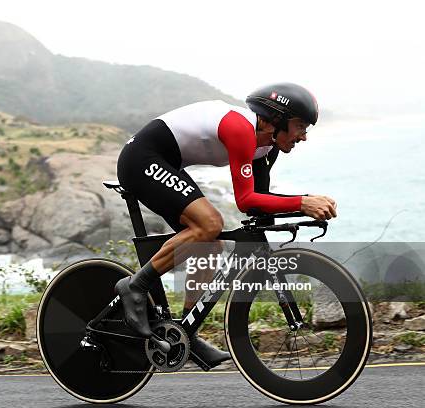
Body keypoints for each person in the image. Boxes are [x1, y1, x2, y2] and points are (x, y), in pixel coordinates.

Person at [114, 83, 337, 368]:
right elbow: (245, 200)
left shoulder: (267, 146)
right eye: (300, 126)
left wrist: (299, 212)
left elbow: (259, 204)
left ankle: (186, 332)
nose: (303, 136)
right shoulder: (240, 129)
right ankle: (135, 285)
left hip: (168, 163)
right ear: (276, 120)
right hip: (141, 159)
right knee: (209, 224)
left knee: (211, 244)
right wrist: (302, 202)